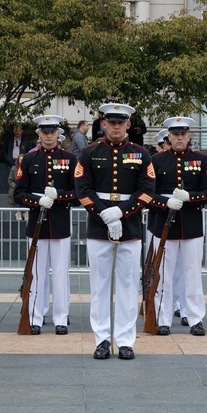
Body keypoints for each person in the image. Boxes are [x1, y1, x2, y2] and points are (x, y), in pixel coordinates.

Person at [74, 102, 154, 360]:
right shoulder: (88, 153)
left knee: (128, 286)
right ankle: (102, 339)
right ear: (104, 124)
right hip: (99, 227)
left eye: (121, 122)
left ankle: (126, 340)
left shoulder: (142, 154)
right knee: (99, 287)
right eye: (112, 122)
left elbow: (147, 191)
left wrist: (122, 212)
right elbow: (82, 190)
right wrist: (104, 214)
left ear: (128, 124)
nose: (116, 126)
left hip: (130, 227)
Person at [145, 116, 207, 336]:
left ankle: (195, 319)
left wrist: (190, 197)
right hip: (163, 225)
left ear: (189, 136)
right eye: (175, 134)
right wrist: (164, 202)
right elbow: (148, 193)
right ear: (169, 136)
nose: (179, 138)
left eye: (183, 134)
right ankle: (163, 318)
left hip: (191, 226)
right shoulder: (156, 161)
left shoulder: (201, 160)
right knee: (164, 275)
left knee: (192, 275)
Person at [14, 114, 78, 334]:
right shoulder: (29, 160)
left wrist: (59, 196)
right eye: (45, 132)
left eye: (53, 132)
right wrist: (37, 200)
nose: (49, 136)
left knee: (61, 274)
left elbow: (78, 194)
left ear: (59, 134)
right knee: (37, 274)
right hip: (36, 226)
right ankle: (35, 316)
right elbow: (18, 194)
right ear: (39, 134)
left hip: (60, 224)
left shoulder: (70, 159)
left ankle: (61, 317)